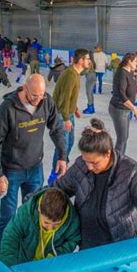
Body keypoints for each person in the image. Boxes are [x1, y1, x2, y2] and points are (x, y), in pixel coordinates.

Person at [52, 118, 137, 253]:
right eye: (86, 161)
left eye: (94, 163)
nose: (89, 167)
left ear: (108, 153)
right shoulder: (80, 166)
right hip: (90, 246)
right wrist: (32, 201)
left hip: (124, 245)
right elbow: (58, 188)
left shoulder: (130, 171)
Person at [0, 74, 67, 245]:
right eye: (34, 96)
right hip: (11, 171)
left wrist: (62, 155)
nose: (38, 100)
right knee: (8, 216)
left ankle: (29, 252)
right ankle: (6, 256)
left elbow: (57, 128)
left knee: (35, 214)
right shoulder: (8, 108)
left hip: (35, 169)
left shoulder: (46, 102)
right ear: (24, 88)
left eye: (41, 95)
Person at [0, 187, 80, 266]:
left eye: (56, 225)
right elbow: (10, 238)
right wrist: (8, 268)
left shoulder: (72, 220)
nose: (50, 228)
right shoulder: (25, 213)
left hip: (49, 267)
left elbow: (73, 240)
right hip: (24, 263)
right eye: (46, 223)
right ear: (39, 209)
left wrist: (56, 254)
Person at [48, 49, 91, 184]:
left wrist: (75, 108)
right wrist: (66, 118)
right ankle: (55, 175)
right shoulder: (71, 75)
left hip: (68, 113)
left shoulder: (75, 74)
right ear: (81, 60)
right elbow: (63, 99)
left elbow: (69, 97)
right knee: (63, 146)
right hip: (62, 115)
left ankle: (62, 168)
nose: (89, 61)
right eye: (87, 59)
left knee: (70, 143)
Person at [109, 53, 137, 155]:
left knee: (125, 137)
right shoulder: (121, 74)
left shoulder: (130, 72)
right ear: (129, 61)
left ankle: (121, 158)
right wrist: (134, 109)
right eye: (135, 61)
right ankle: (117, 162)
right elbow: (122, 95)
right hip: (119, 108)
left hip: (126, 109)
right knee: (122, 138)